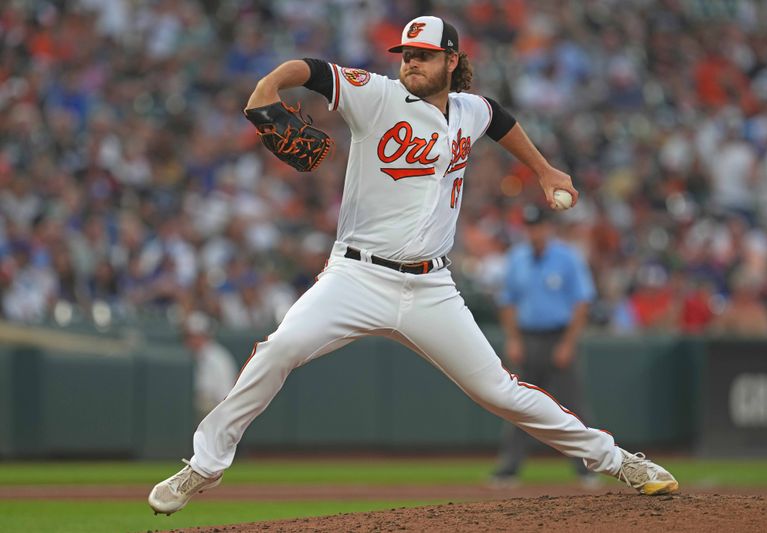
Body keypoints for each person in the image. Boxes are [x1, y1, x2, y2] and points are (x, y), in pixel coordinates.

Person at [148, 16, 678, 515]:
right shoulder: (376, 95)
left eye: (423, 56)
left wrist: (543, 170)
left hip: (432, 287)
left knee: (500, 391)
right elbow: (309, 70)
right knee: (280, 348)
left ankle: (617, 461)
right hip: (356, 276)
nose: (410, 63)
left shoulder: (470, 110)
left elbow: (500, 119)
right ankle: (203, 466)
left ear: (451, 60)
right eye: (406, 54)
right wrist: (268, 86)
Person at [491, 205, 598, 488]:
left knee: (573, 407)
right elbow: (507, 302)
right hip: (528, 338)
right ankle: (510, 468)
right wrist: (513, 339)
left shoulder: (566, 257)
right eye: (529, 227)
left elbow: (582, 302)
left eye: (538, 226)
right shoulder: (517, 258)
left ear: (549, 228)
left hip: (558, 336)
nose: (534, 232)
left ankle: (587, 467)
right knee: (518, 405)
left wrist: (568, 343)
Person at [182, 311, 239, 422]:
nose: (192, 341)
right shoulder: (188, 356)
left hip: (216, 410)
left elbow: (224, 396)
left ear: (205, 336)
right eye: (189, 337)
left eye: (196, 336)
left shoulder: (218, 357)